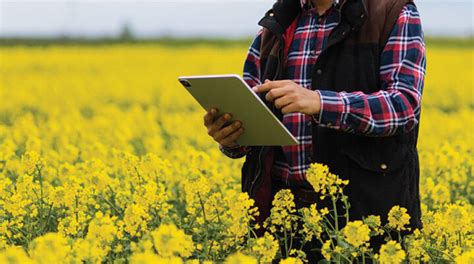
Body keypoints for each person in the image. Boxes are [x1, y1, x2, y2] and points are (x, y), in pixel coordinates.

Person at [203, 0, 426, 259]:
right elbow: (254, 112)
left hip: (363, 219)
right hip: (283, 222)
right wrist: (231, 136)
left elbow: (404, 106)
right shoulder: (277, 22)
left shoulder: (391, 12)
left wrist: (320, 103)